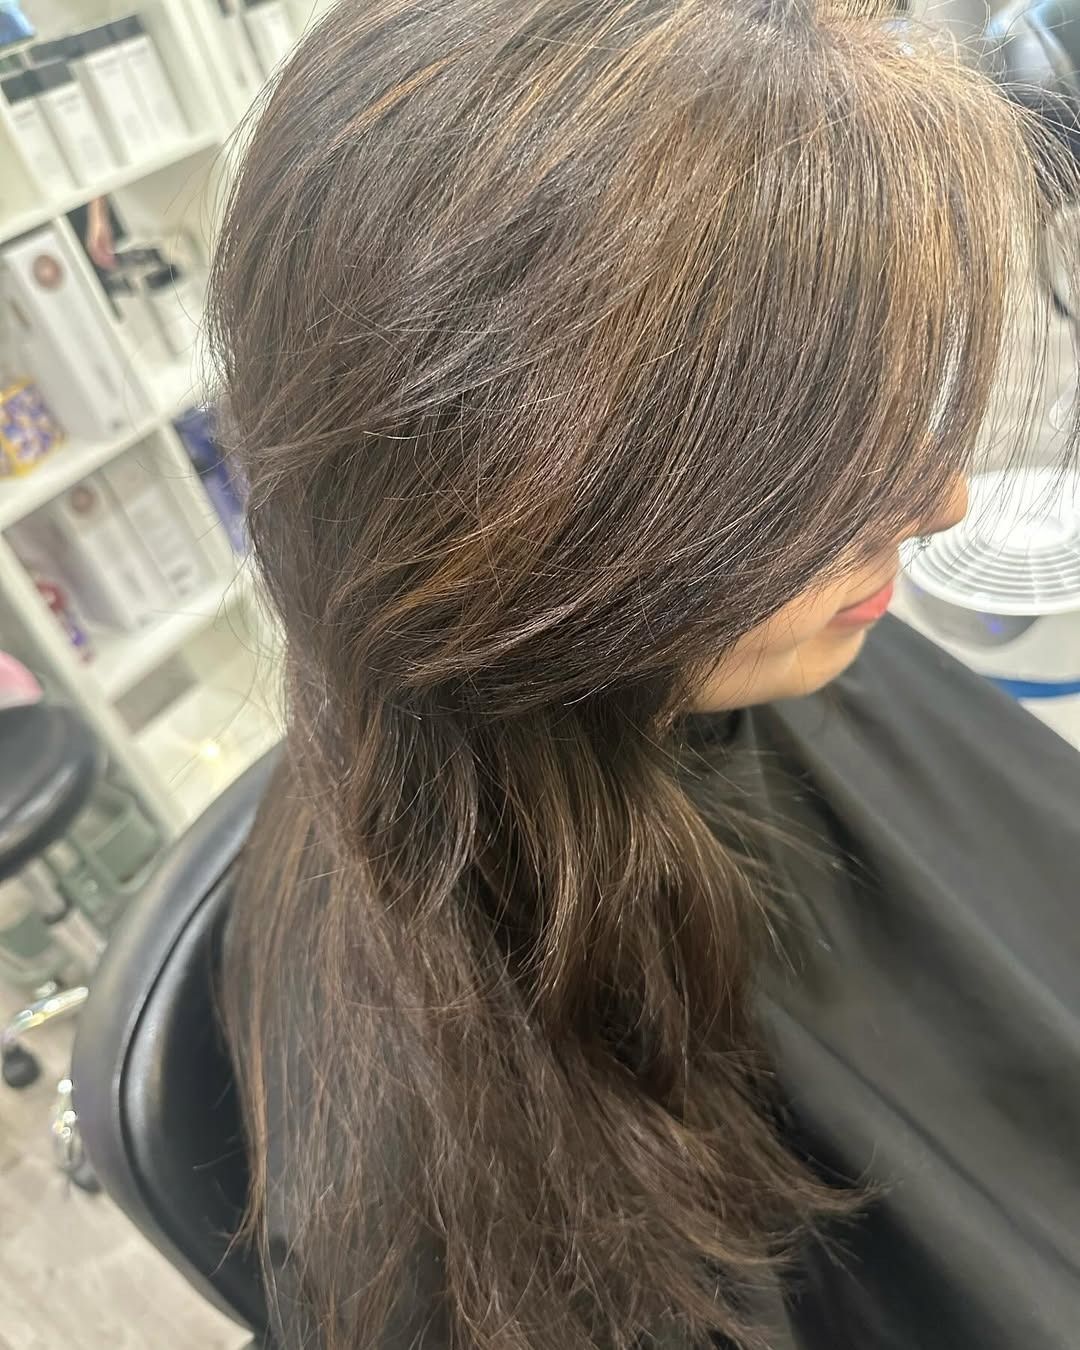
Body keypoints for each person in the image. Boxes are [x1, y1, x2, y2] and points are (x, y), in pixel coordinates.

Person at [210, 2, 1080, 1346]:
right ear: (513, 517)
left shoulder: (746, 654)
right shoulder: (456, 1182)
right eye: (807, 463)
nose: (942, 500)